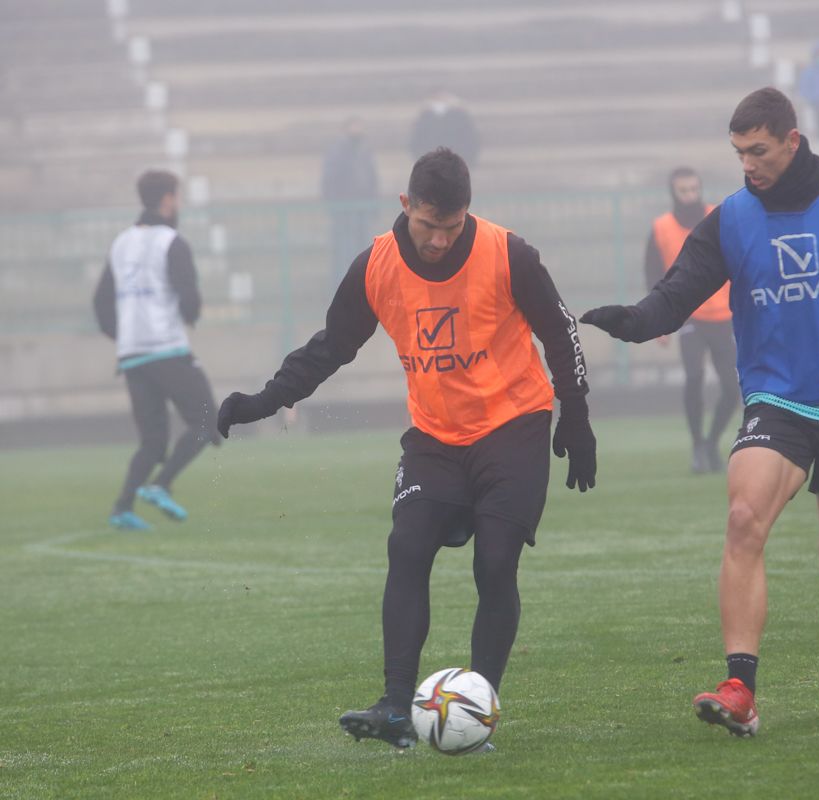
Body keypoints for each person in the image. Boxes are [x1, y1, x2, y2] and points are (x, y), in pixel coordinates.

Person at [582, 88, 819, 730]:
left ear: (792, 140)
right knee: (743, 517)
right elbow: (675, 295)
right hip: (777, 402)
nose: (747, 165)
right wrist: (635, 322)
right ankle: (740, 689)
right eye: (738, 153)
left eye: (758, 151)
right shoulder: (730, 219)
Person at [216, 148, 597, 749]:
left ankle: (477, 707)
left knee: (495, 562)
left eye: (451, 227)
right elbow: (331, 346)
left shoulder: (508, 253)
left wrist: (574, 417)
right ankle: (396, 706)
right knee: (407, 545)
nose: (439, 240)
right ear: (405, 205)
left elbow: (560, 329)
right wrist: (265, 400)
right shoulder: (376, 265)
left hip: (513, 424)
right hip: (435, 435)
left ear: (467, 213)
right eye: (427, 225)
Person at [91, 169, 219, 530]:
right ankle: (161, 485)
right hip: (166, 348)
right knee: (207, 419)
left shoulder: (120, 242)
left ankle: (122, 509)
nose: (178, 204)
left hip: (132, 355)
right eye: (177, 197)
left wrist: (124, 335)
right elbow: (189, 296)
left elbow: (100, 301)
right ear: (167, 199)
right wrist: (189, 315)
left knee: (152, 440)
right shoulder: (171, 241)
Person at [645, 167, 739, 473]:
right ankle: (698, 445)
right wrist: (658, 320)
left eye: (693, 189)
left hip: (723, 316)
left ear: (700, 188)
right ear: (674, 193)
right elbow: (653, 275)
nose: (689, 196)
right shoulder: (661, 228)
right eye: (683, 191)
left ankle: (712, 442)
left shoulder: (719, 217)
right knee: (694, 377)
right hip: (688, 316)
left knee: (731, 388)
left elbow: (738, 260)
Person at [321, 116, 380, 290]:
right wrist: (333, 203)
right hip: (343, 209)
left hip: (363, 208)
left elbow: (372, 178)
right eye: (354, 127)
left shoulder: (365, 151)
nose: (357, 130)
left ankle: (362, 286)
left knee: (362, 249)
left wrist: (373, 203)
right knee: (343, 249)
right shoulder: (337, 152)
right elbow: (330, 179)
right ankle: (341, 286)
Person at [410, 90, 481, 169]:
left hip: (455, 163)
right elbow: (417, 142)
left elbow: (469, 141)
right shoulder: (426, 116)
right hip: (431, 165)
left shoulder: (459, 115)